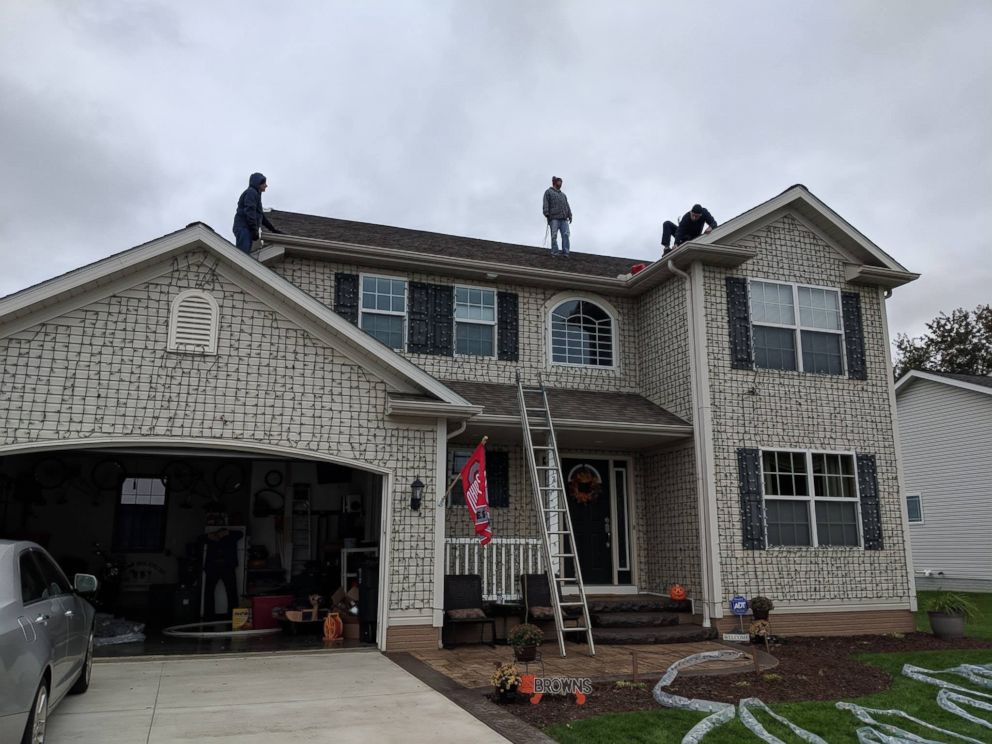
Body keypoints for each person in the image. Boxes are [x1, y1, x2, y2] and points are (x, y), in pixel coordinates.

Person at [198, 526, 244, 619]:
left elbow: (241, 534)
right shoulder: (211, 537)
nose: (220, 535)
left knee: (231, 592)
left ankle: (232, 616)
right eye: (219, 533)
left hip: (227, 567)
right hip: (212, 568)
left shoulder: (231, 536)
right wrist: (208, 535)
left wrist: (228, 532)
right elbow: (199, 539)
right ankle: (209, 616)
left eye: (222, 533)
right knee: (209, 592)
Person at [233, 172, 279, 254]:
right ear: (258, 183)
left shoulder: (256, 195)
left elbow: (261, 216)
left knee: (245, 255)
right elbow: (249, 211)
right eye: (264, 183)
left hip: (247, 228)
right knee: (242, 255)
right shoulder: (251, 192)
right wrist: (254, 229)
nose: (266, 185)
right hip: (243, 227)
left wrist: (273, 230)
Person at [542, 176, 573, 256]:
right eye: (559, 182)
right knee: (554, 235)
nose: (561, 183)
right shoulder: (548, 192)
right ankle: (555, 252)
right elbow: (546, 203)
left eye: (561, 182)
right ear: (555, 182)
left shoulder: (563, 195)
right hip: (554, 218)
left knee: (566, 234)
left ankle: (566, 252)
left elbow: (567, 205)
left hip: (564, 218)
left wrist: (570, 215)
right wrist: (546, 213)